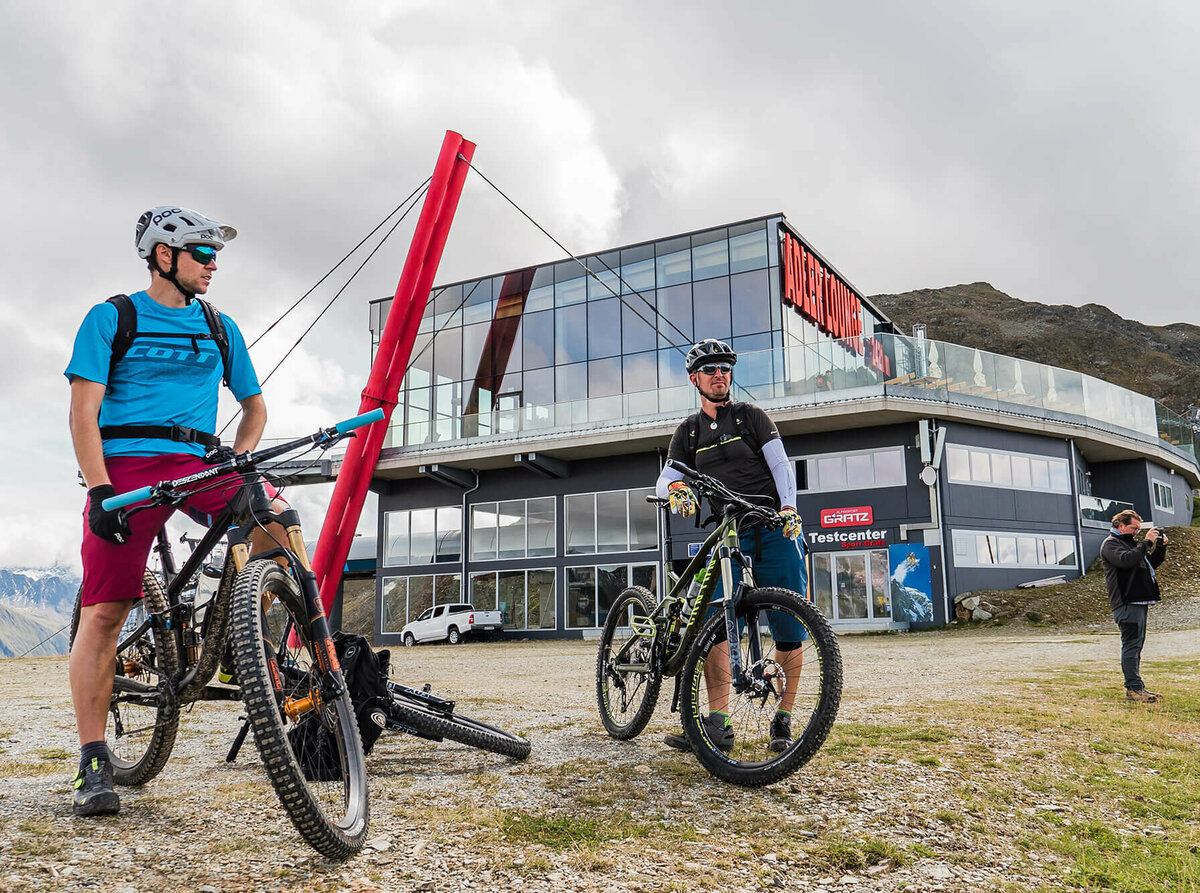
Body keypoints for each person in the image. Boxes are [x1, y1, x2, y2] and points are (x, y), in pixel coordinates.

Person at [65, 206, 274, 816]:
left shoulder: (219, 326)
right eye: (202, 254)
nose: (213, 265)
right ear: (163, 256)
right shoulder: (111, 318)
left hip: (200, 463)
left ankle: (254, 645)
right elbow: (83, 414)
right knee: (105, 612)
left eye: (216, 256)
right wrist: (101, 491)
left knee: (278, 523)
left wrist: (239, 459)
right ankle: (93, 758)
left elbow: (254, 409)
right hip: (125, 468)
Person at [655, 338, 807, 753]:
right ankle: (717, 723)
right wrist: (677, 489)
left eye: (725, 368)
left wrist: (790, 507)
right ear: (694, 379)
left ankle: (784, 719)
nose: (719, 374)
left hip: (775, 527)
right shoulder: (688, 431)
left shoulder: (751, 417)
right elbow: (666, 475)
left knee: (790, 629)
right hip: (728, 531)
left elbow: (780, 464)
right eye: (710, 369)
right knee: (716, 626)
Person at [1101, 510, 1168, 703]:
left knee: (1136, 646)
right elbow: (1126, 560)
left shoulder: (1130, 545)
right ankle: (1133, 690)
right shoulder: (1111, 544)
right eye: (1134, 528)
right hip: (1126, 602)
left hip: (1138, 601)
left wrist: (1160, 548)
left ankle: (1137, 687)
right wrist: (1147, 542)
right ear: (1120, 526)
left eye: (1139, 529)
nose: (1137, 532)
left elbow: (1149, 564)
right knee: (1131, 645)